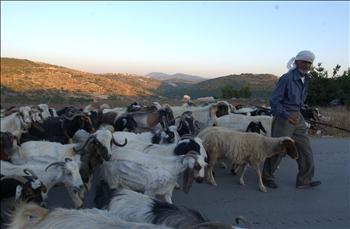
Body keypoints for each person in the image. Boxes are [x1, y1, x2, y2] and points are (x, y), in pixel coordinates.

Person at [262, 50, 321, 189]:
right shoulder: (287, 78)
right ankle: (266, 177)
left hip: (297, 116)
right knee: (278, 148)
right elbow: (274, 101)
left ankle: (304, 180)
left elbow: (300, 100)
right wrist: (287, 115)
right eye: (304, 62)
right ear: (296, 62)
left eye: (309, 63)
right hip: (284, 117)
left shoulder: (306, 79)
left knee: (305, 148)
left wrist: (300, 113)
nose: (306, 65)